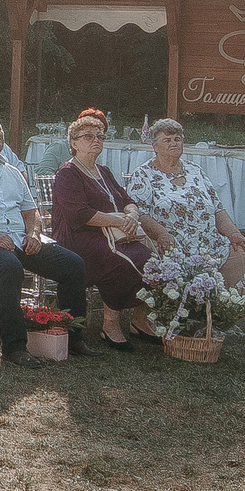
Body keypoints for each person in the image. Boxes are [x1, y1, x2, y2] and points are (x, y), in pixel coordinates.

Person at [0, 109, 90, 368]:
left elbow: (31, 211)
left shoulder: (12, 172)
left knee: (73, 264)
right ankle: (14, 347)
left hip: (18, 240)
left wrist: (34, 234)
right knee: (9, 267)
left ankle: (73, 337)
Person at [50, 110, 169, 349]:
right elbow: (79, 215)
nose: (96, 140)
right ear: (73, 143)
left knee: (154, 260)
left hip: (116, 235)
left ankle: (139, 319)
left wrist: (132, 215)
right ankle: (111, 324)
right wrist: (119, 222)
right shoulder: (67, 173)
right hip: (77, 239)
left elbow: (127, 200)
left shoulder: (103, 171)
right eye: (88, 136)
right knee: (124, 263)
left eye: (100, 137)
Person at [128, 119, 245, 292]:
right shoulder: (143, 174)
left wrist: (234, 233)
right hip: (171, 243)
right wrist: (162, 235)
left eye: (177, 139)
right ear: (155, 147)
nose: (174, 143)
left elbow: (217, 208)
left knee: (239, 250)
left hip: (210, 244)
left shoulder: (195, 170)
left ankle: (240, 312)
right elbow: (140, 214)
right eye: (167, 140)